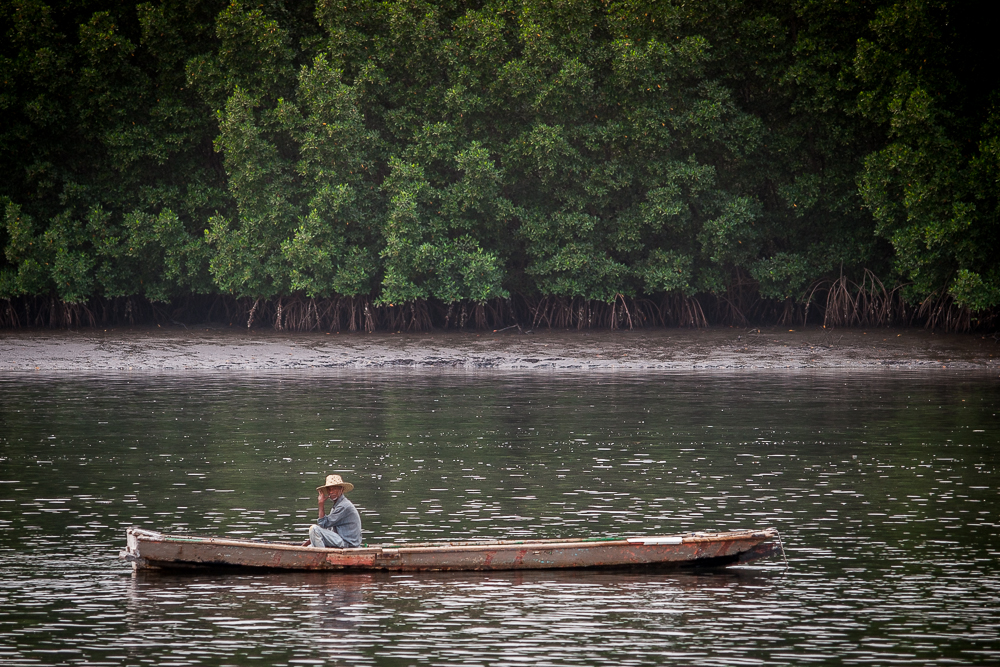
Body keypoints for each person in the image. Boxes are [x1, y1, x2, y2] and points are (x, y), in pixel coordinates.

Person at [302, 474, 362, 548]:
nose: (331, 492)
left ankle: (322, 557)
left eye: (334, 489)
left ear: (341, 490)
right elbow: (325, 528)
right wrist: (305, 544)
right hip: (340, 540)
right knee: (310, 547)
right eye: (329, 490)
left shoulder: (343, 506)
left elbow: (323, 523)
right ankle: (320, 554)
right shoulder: (336, 506)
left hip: (348, 543)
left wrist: (321, 504)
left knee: (314, 529)